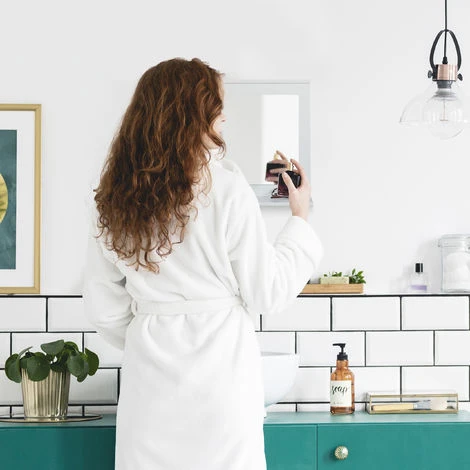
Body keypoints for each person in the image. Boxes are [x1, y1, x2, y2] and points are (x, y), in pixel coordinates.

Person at [83, 57, 322, 470]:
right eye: (216, 108)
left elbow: (104, 309)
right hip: (221, 382)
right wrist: (299, 218)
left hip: (150, 388)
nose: (224, 117)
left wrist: (153, 329)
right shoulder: (227, 187)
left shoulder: (112, 198)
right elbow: (268, 291)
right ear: (191, 116)